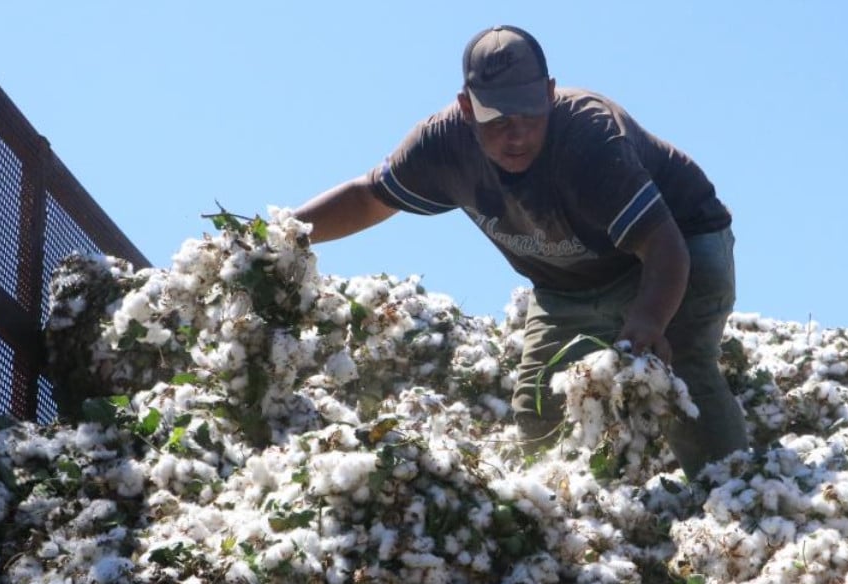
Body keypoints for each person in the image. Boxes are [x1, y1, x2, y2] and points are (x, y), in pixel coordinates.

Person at [295, 25, 748, 477]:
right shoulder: (441, 147)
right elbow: (367, 197)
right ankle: (562, 516)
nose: (516, 135)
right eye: (497, 119)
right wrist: (287, 234)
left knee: (681, 367)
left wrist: (649, 320)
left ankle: (732, 497)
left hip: (679, 246)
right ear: (466, 108)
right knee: (538, 402)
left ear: (550, 94)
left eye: (530, 114)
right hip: (565, 284)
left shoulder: (589, 139)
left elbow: (663, 245)